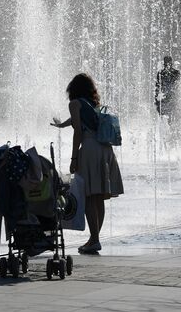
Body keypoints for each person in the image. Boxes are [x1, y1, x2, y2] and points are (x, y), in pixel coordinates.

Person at [51, 73, 124, 254]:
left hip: (90, 150)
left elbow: (78, 132)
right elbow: (80, 120)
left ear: (73, 88)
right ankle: (94, 239)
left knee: (90, 196)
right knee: (98, 197)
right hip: (105, 150)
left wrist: (74, 158)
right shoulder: (93, 103)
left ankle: (94, 240)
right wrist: (62, 125)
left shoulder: (74, 104)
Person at [155, 55, 181, 145]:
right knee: (165, 125)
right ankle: (166, 144)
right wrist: (157, 103)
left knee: (174, 123)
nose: (167, 65)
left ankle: (175, 142)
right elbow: (157, 89)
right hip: (165, 102)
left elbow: (178, 87)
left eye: (169, 63)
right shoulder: (160, 73)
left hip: (174, 102)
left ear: (171, 63)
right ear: (164, 63)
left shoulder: (176, 73)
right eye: (166, 63)